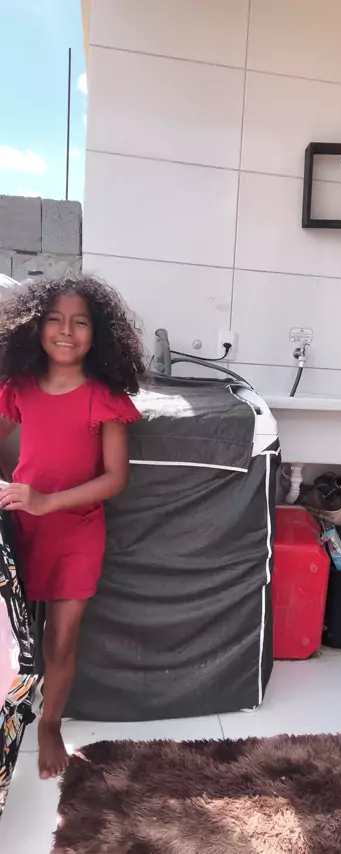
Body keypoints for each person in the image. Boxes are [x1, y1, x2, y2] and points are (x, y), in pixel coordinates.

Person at [0, 273, 145, 779]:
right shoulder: (19, 388)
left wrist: (47, 501)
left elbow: (116, 479)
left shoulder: (103, 397)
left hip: (78, 532)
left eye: (80, 322)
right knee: (17, 634)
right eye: (54, 320)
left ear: (97, 333)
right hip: (22, 531)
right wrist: (12, 489)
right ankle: (16, 712)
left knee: (61, 639)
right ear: (33, 327)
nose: (66, 331)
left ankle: (49, 724)